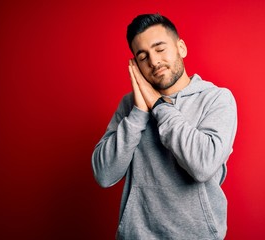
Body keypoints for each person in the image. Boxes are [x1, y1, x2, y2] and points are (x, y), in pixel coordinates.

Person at [92, 13, 238, 240]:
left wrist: (158, 106)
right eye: (143, 56)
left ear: (181, 48)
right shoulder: (130, 106)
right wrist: (139, 113)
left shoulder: (217, 99)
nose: (154, 61)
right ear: (136, 65)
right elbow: (104, 174)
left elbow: (202, 165)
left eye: (160, 49)